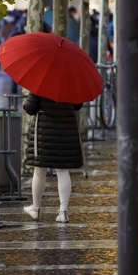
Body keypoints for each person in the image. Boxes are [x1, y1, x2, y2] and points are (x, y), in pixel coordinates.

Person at [22, 93, 84, 223]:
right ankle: (63, 211)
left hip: (45, 130)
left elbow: (30, 108)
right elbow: (78, 105)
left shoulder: (42, 81)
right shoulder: (72, 81)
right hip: (67, 130)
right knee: (63, 171)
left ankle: (36, 208)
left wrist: (26, 104)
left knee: (39, 171)